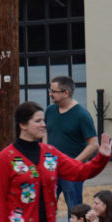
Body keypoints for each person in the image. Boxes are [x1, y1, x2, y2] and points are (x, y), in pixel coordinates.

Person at [45, 75, 98, 212]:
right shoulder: (50, 111)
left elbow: (93, 144)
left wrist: (74, 163)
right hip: (51, 169)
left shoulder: (82, 114)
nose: (50, 94)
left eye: (53, 91)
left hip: (72, 172)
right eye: (50, 90)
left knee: (74, 210)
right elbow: (45, 132)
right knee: (46, 208)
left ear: (66, 93)